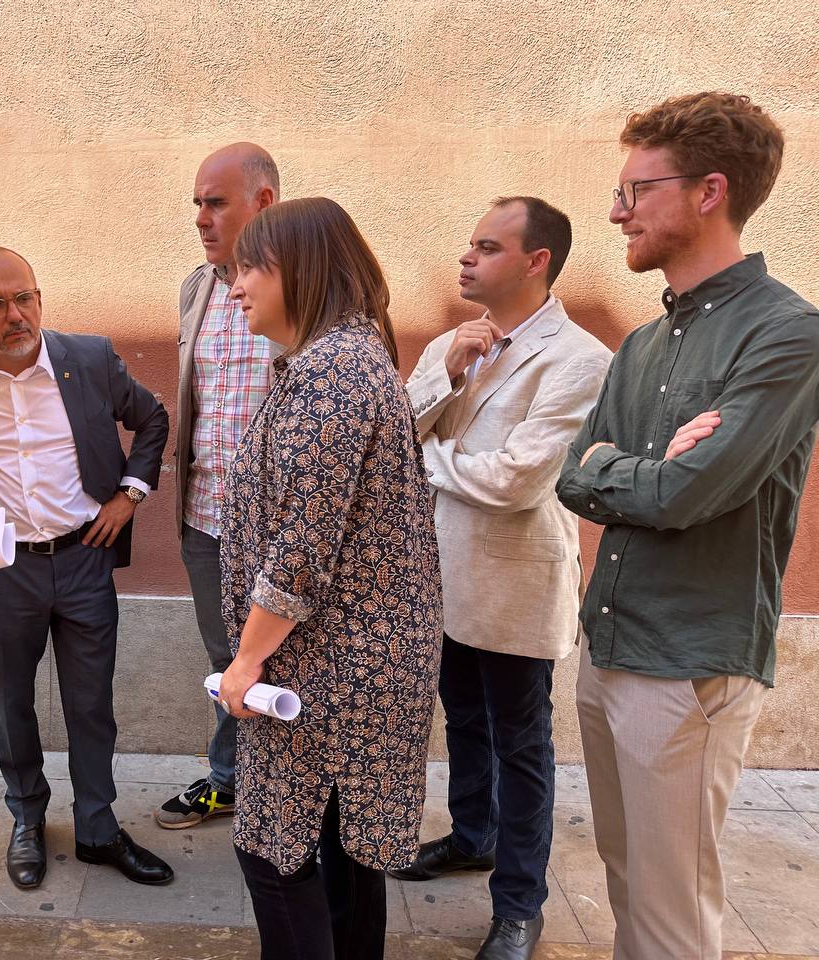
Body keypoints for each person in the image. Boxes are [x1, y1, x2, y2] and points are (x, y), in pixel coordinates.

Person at [556, 92, 819, 960]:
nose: (615, 210)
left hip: (688, 667)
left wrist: (626, 473)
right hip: (611, 648)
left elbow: (684, 496)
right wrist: (640, 470)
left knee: (673, 920)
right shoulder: (641, 345)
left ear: (709, 192)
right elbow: (572, 477)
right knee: (629, 886)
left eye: (637, 189)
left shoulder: (788, 334)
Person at [217, 197, 443, 960]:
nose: (235, 282)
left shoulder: (330, 375)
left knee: (273, 853)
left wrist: (246, 661)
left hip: (332, 667)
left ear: (302, 271)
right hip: (354, 660)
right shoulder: (344, 360)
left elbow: (300, 550)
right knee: (344, 853)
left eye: (253, 266)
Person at [395, 197, 611, 959]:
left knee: (522, 744)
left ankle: (519, 907)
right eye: (470, 245)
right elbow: (394, 426)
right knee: (463, 719)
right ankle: (471, 836)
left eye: (486, 247)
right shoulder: (454, 343)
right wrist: (444, 379)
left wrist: (420, 460)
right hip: (439, 577)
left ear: (535, 261)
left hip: (515, 583)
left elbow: (517, 481)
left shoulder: (580, 359)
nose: (466, 258)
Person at [0, 247, 174, 889]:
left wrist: (129, 496)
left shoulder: (87, 359)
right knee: (11, 700)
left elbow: (152, 419)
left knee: (91, 702)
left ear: (39, 298)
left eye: (25, 298)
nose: (16, 315)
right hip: (3, 566)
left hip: (83, 557)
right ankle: (27, 819)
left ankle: (97, 827)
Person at [156, 142, 281, 830]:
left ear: (263, 203)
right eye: (197, 204)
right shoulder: (197, 288)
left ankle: (292, 800)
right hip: (206, 518)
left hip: (285, 526)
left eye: (216, 203)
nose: (201, 218)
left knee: (291, 659)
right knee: (225, 659)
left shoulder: (313, 286)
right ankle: (230, 779)